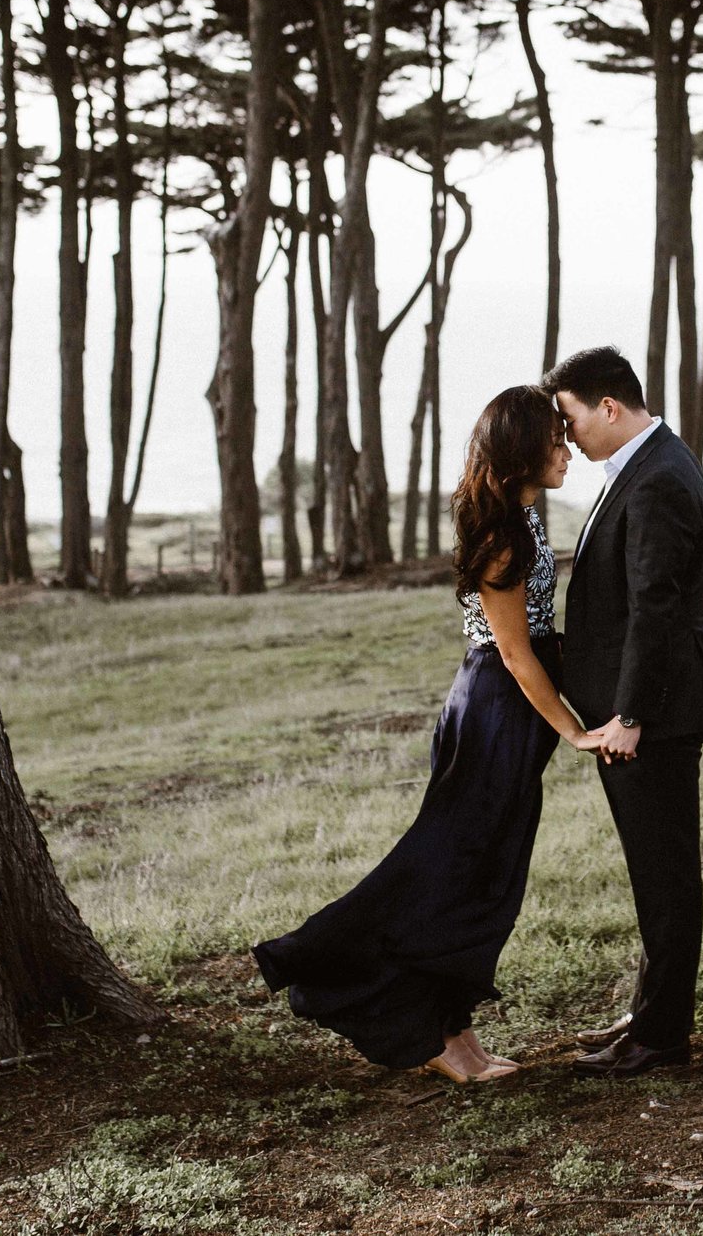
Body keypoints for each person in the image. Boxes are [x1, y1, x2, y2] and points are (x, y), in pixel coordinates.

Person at [252, 386, 607, 1083]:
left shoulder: (527, 513)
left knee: (481, 880)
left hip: (509, 713)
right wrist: (573, 729)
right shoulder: (503, 534)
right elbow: (512, 652)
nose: (568, 450)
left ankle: (456, 1033)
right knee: (450, 876)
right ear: (522, 450)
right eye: (555, 439)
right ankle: (330, 966)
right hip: (494, 714)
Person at [543, 346, 703, 1078]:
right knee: (653, 873)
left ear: (609, 408)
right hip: (643, 711)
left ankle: (661, 1039)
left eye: (570, 419)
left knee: (664, 876)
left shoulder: (655, 477)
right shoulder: (647, 461)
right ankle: (650, 1017)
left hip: (651, 715)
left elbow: (655, 607)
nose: (566, 437)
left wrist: (627, 715)